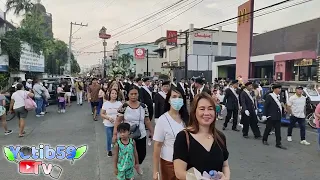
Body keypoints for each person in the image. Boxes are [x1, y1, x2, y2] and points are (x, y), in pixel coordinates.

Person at [173, 92, 230, 180]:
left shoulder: (220, 137)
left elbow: (225, 165)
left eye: (210, 109)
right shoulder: (183, 137)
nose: (206, 113)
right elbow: (179, 172)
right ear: (194, 112)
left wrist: (226, 178)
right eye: (202, 109)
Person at [113, 86, 154, 174]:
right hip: (127, 135)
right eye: (131, 94)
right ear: (128, 95)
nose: (133, 96)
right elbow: (118, 121)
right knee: (127, 155)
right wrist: (115, 134)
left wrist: (152, 131)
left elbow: (147, 120)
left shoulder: (143, 106)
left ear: (138, 95)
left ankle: (137, 165)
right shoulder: (124, 106)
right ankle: (128, 171)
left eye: (135, 94)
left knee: (142, 154)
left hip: (141, 133)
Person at [153, 87, 189, 180]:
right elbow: (157, 146)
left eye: (179, 97)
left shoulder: (187, 119)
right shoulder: (163, 120)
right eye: (174, 97)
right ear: (168, 100)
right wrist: (156, 170)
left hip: (187, 162)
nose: (177, 99)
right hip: (169, 163)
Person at [262, 84, 287, 149]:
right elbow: (266, 106)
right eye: (278, 88)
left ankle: (278, 143)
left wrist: (284, 109)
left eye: (280, 88)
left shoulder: (279, 96)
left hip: (278, 116)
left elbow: (281, 104)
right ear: (274, 89)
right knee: (268, 128)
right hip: (271, 116)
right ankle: (264, 139)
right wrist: (264, 114)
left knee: (278, 130)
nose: (280, 90)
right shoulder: (269, 96)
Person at [100, 89, 122, 157]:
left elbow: (122, 113)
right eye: (112, 93)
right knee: (109, 137)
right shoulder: (106, 103)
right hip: (108, 124)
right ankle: (109, 150)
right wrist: (108, 118)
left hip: (117, 124)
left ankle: (119, 150)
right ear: (109, 94)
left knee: (118, 137)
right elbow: (102, 114)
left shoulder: (119, 103)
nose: (114, 95)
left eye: (115, 93)